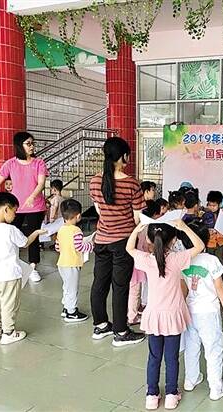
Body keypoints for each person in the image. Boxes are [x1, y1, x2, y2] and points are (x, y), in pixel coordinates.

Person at [126, 220, 204, 410]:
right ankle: (171, 394)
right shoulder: (177, 259)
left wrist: (137, 229)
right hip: (173, 315)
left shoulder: (147, 259)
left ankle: (151, 396)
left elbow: (129, 248)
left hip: (154, 315)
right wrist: (183, 227)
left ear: (149, 241)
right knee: (171, 358)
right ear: (174, 240)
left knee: (154, 357)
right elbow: (200, 246)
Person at [89, 136, 146, 346]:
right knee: (120, 286)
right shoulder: (131, 183)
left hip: (102, 239)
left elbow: (98, 210)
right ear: (123, 156)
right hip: (123, 241)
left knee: (100, 282)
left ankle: (101, 325)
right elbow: (137, 217)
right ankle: (121, 332)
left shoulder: (95, 180)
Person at [0, 192, 45, 344]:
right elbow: (25, 243)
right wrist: (36, 232)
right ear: (6, 209)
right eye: (14, 211)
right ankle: (9, 333)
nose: (15, 215)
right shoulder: (10, 230)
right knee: (9, 304)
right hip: (10, 275)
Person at [0, 132, 48, 283]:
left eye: (33, 143)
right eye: (28, 144)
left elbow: (41, 183)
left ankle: (32, 267)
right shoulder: (10, 164)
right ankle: (12, 263)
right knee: (9, 236)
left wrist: (32, 196)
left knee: (33, 237)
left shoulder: (39, 163)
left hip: (35, 207)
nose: (32, 146)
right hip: (14, 208)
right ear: (19, 145)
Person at [181, 221, 223, 401]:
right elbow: (219, 286)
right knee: (213, 349)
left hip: (190, 310)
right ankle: (216, 388)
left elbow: (183, 288)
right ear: (206, 240)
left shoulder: (183, 259)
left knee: (191, 346)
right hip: (209, 312)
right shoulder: (212, 260)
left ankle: (190, 379)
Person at [55, 199, 93, 323]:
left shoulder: (61, 229)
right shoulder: (76, 231)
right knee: (72, 289)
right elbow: (79, 247)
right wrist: (91, 245)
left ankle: (66, 307)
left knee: (66, 286)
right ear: (78, 216)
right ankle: (71, 312)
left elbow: (57, 247)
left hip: (62, 263)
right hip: (72, 264)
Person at [202, 191, 223, 265]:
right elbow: (203, 227)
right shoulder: (205, 215)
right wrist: (208, 230)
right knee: (209, 261)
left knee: (220, 261)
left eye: (214, 205)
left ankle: (221, 273)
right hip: (209, 242)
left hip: (220, 241)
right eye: (210, 205)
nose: (212, 207)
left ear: (220, 204)